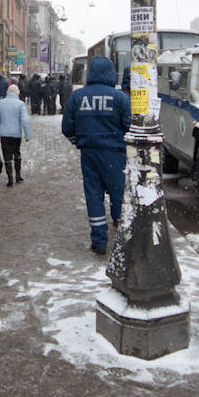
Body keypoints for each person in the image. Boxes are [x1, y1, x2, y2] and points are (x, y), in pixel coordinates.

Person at [61, 56, 131, 255]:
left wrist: (80, 142)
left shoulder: (77, 97)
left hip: (89, 154)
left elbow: (67, 128)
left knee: (93, 195)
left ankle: (99, 241)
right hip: (115, 154)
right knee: (118, 193)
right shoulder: (120, 98)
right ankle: (121, 230)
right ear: (111, 73)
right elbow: (129, 126)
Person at [0, 84, 31, 187]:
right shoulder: (20, 104)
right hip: (16, 135)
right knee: (17, 153)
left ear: (7, 92)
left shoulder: (0, 103)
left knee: (7, 156)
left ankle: (10, 179)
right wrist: (27, 135)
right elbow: (25, 121)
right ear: (17, 92)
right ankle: (18, 175)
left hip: (4, 135)